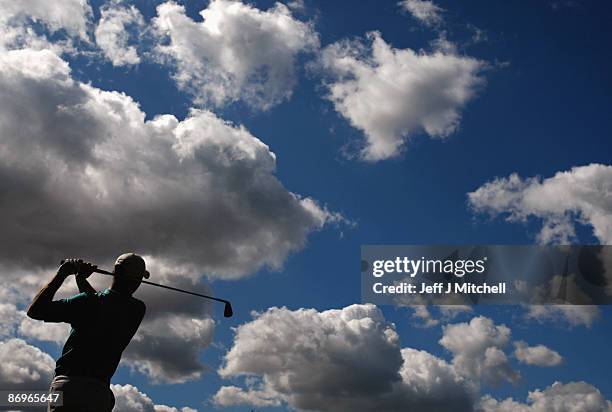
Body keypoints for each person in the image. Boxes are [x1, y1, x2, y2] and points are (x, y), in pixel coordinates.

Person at [27, 253, 149, 412]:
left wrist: (62, 274)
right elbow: (101, 306)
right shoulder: (137, 309)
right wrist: (81, 279)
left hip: (68, 386)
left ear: (115, 272)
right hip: (99, 393)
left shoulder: (87, 302)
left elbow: (36, 311)